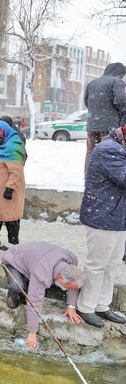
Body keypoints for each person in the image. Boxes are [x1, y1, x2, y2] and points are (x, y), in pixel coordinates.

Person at [76, 124, 126, 328]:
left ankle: (102, 305)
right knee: (97, 264)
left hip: (117, 216)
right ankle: (86, 306)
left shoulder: (119, 147)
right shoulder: (109, 150)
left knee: (112, 264)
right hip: (102, 215)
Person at [2, 242, 83, 349]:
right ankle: (13, 296)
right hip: (13, 259)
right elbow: (35, 301)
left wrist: (71, 306)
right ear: (60, 278)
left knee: (37, 285)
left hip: (36, 259)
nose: (68, 289)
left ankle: (27, 283)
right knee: (17, 287)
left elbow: (74, 284)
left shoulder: (71, 260)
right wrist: (32, 332)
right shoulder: (42, 273)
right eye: (67, 286)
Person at [0, 120, 27, 250]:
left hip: (8, 190)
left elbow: (16, 171)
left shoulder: (13, 147)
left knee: (10, 215)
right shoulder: (1, 145)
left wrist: (10, 188)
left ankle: (13, 242)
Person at [84, 62, 126, 174]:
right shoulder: (117, 82)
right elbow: (121, 102)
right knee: (107, 152)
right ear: (119, 73)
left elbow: (86, 102)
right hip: (109, 126)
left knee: (90, 152)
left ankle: (89, 177)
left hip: (92, 125)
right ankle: (104, 179)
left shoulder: (92, 83)